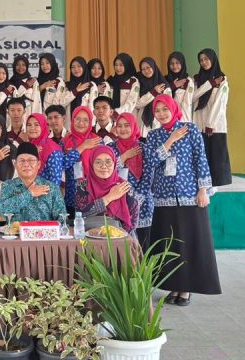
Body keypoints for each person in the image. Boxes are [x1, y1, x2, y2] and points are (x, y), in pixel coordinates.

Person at [145, 94, 221, 306]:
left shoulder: (191, 130)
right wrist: (170, 140)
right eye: (157, 110)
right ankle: (174, 285)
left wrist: (203, 190)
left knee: (188, 243)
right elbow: (150, 161)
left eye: (165, 109)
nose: (161, 114)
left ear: (173, 109)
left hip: (189, 197)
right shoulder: (153, 135)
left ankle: (186, 289)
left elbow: (200, 159)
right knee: (170, 244)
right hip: (164, 198)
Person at [111, 113, 154, 249]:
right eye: (119, 126)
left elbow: (148, 176)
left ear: (134, 126)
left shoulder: (143, 148)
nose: (123, 129)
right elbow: (106, 171)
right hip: (117, 201)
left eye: (127, 125)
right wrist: (123, 157)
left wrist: (136, 199)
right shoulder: (110, 148)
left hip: (142, 203)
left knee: (142, 244)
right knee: (119, 244)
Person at [76, 145, 138, 234]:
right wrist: (109, 197)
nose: (104, 166)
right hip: (89, 236)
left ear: (114, 163)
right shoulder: (83, 185)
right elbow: (81, 214)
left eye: (108, 162)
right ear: (91, 164)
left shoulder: (124, 186)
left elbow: (133, 220)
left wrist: (118, 235)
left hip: (118, 237)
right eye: (98, 162)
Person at [0, 143, 66, 222]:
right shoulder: (8, 186)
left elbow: (62, 218)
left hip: (45, 230)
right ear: (15, 164)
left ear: (38, 164)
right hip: (16, 230)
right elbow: (3, 209)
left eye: (31, 160)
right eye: (22, 161)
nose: (26, 164)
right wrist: (30, 193)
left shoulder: (51, 187)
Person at [193, 48, 232, 187]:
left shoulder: (222, 79)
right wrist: (210, 84)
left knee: (217, 153)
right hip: (200, 123)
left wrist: (210, 123)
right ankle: (204, 182)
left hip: (215, 124)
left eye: (206, 59)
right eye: (201, 60)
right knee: (203, 154)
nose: (204, 62)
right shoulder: (197, 79)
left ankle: (219, 182)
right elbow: (192, 97)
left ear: (213, 59)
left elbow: (220, 103)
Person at [61, 106, 102, 214]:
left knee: (92, 224)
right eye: (78, 119)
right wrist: (82, 147)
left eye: (85, 120)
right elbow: (62, 164)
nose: (81, 123)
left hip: (93, 194)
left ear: (90, 122)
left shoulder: (97, 141)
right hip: (71, 195)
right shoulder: (65, 141)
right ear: (72, 120)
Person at [135, 57, 171, 138]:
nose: (146, 71)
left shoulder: (164, 85)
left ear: (153, 67)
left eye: (148, 67)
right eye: (143, 69)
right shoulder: (139, 84)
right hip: (142, 124)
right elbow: (137, 104)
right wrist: (153, 92)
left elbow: (169, 106)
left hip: (160, 124)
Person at [26, 113, 64, 184]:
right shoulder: (28, 146)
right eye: (29, 125)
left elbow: (55, 182)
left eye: (36, 125)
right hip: (28, 189)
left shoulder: (52, 149)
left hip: (45, 190)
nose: (32, 128)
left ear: (43, 126)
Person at [166, 52, 195, 124]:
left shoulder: (188, 81)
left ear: (182, 63)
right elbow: (161, 98)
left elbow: (187, 104)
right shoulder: (164, 80)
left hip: (181, 120)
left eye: (177, 63)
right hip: (165, 119)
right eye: (171, 63)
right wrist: (172, 86)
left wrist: (183, 123)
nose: (174, 66)